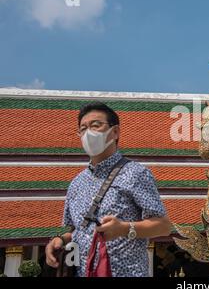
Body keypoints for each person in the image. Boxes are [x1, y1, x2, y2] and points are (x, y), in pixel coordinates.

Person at [45, 102, 172, 277]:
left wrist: (123, 228)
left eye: (96, 125)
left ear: (115, 132)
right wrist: (60, 239)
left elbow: (164, 226)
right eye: (83, 128)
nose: (88, 132)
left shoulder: (135, 173)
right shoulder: (77, 183)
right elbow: (76, 230)